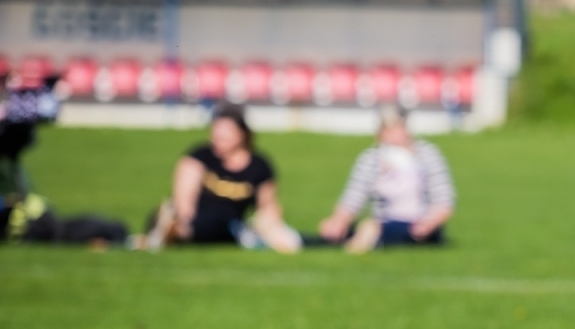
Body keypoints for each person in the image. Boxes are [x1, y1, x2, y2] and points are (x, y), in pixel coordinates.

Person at [142, 104, 299, 253]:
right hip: (198, 221)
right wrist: (185, 223)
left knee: (277, 237)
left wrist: (272, 228)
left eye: (225, 130)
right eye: (216, 129)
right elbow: (183, 201)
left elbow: (267, 206)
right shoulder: (200, 157)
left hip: (233, 226)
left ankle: (164, 236)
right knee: (202, 224)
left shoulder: (259, 166)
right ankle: (170, 231)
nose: (218, 135)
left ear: (241, 134)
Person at [317, 107, 455, 253]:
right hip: (383, 222)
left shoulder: (427, 155)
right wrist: (339, 221)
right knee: (337, 233)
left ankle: (363, 243)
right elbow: (353, 197)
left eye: (396, 128)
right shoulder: (371, 159)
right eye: (387, 130)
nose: (392, 135)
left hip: (419, 223)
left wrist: (428, 224)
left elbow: (443, 201)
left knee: (371, 229)